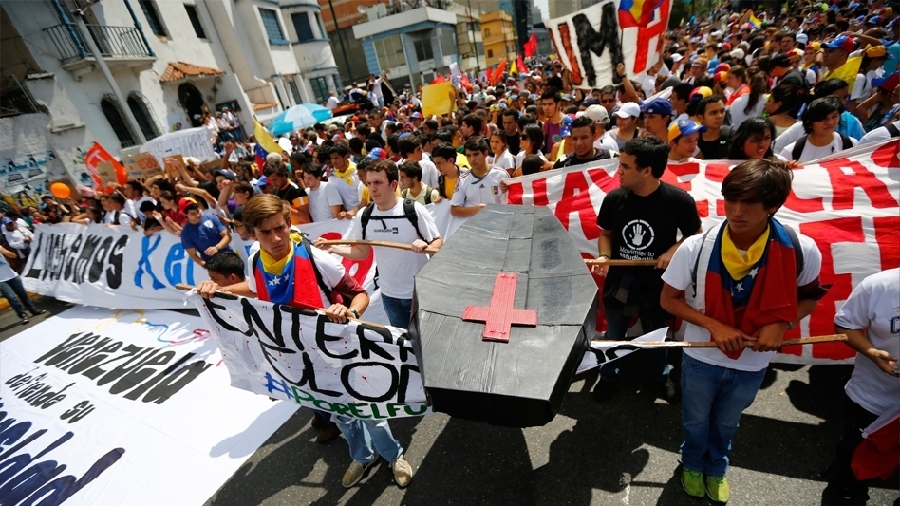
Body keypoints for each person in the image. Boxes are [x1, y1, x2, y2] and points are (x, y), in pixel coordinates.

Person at [660, 158, 827, 503]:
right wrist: (714, 326)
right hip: (700, 356)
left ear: (773, 206)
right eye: (730, 200)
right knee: (694, 420)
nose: (735, 211)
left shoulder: (802, 249)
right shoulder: (697, 246)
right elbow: (669, 300)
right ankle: (692, 461)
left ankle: (717, 465)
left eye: (748, 203)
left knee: (726, 423)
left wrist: (781, 322)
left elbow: (809, 298)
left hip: (752, 363)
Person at [590, 136, 702, 404]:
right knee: (614, 334)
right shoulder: (615, 198)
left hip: (657, 284)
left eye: (626, 166)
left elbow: (694, 235)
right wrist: (605, 255)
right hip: (620, 282)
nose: (619, 171)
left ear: (647, 170)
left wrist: (671, 252)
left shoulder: (679, 200)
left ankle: (660, 377)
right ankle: (608, 377)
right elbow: (606, 233)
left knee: (655, 336)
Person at [823, 268, 899, 505]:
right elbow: (845, 325)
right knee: (852, 463)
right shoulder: (878, 286)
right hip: (872, 398)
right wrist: (872, 352)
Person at [779, 97, 858, 162]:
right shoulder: (791, 152)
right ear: (809, 123)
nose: (830, 122)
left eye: (834, 116)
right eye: (824, 119)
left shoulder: (851, 145)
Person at [450, 136, 508, 217]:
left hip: (498, 224)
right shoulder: (463, 180)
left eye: (475, 154)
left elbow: (510, 202)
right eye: (468, 156)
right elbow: (454, 210)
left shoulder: (502, 174)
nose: (472, 159)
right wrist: (477, 210)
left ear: (485, 154)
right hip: (473, 227)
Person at [0, 244, 45, 325]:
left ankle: (33, 310)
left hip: (12, 275)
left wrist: (5, 252)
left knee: (23, 294)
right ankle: (23, 315)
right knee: (12, 297)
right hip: (1, 281)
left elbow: (13, 256)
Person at [180, 203, 232, 268]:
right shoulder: (185, 233)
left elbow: (227, 236)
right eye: (193, 214)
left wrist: (217, 247)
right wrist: (206, 265)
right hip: (212, 263)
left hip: (229, 256)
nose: (198, 215)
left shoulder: (212, 218)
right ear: (185, 214)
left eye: (198, 211)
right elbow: (193, 255)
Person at [266, 155, 310, 225]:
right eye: (270, 180)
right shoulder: (275, 190)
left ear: (283, 175)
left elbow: (305, 217)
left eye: (275, 179)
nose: (272, 183)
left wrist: (282, 206)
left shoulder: (297, 190)